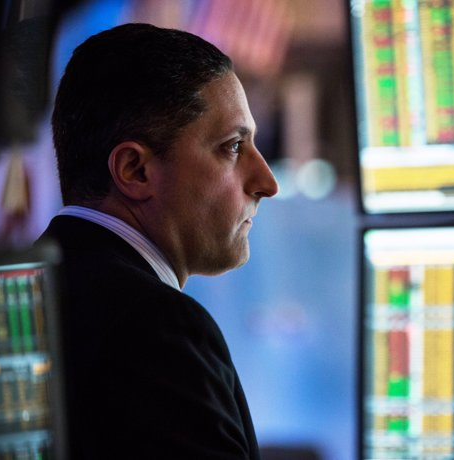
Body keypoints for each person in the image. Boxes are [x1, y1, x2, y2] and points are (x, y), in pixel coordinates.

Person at [37, 23, 278, 458]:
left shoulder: (28, 290)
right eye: (234, 147)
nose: (267, 182)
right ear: (135, 170)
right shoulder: (161, 328)